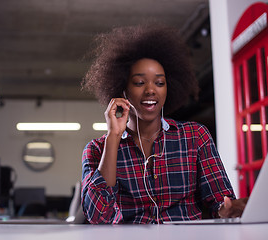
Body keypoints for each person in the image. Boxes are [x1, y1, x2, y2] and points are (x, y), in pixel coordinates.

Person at [80, 23, 248, 224]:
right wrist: (114, 136)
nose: (151, 90)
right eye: (140, 83)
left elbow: (220, 203)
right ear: (122, 90)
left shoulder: (195, 136)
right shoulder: (97, 150)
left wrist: (227, 210)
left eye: (159, 83)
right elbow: (98, 217)